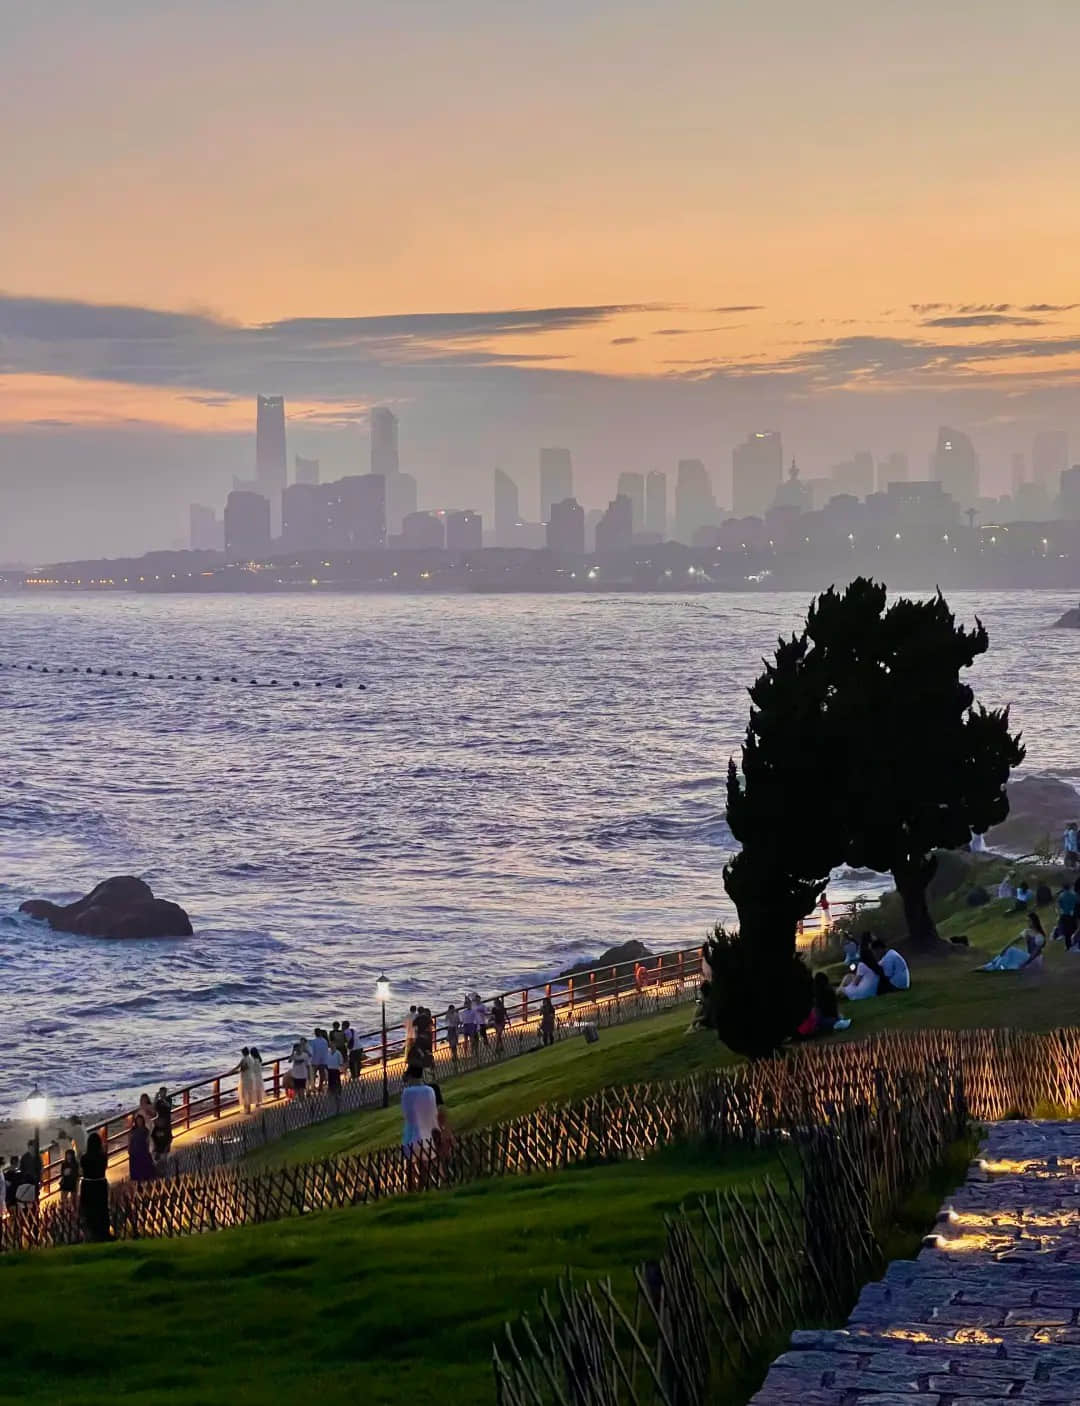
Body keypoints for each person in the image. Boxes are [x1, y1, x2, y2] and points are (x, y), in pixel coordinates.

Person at [980, 911, 1047, 973]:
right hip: (1028, 957)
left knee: (1011, 951)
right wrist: (1005, 948)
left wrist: (1025, 964)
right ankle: (992, 964)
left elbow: (1035, 954)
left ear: (1034, 922)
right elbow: (1015, 940)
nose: (1028, 923)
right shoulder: (1027, 931)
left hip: (1035, 961)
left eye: (1029, 921)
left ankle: (994, 966)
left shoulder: (1040, 936)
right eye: (1027, 921)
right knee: (1009, 951)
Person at [400, 1060, 440, 1156]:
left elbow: (408, 1115)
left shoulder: (407, 1093)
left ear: (410, 1076)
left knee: (415, 1165)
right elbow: (434, 1111)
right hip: (429, 1134)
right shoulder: (430, 1090)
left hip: (413, 1136)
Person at [79, 1131, 111, 1241]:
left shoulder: (84, 1157)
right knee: (101, 1208)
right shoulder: (103, 1156)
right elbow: (104, 1168)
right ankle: (103, 1232)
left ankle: (90, 1233)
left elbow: (82, 1170)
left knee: (88, 1209)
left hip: (88, 1185)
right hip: (100, 1184)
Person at [128, 1114, 156, 1182]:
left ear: (143, 1121)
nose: (139, 1122)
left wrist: (149, 1150)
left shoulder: (145, 1130)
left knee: (145, 1169)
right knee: (136, 1170)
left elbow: (148, 1141)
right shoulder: (133, 1130)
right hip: (134, 1151)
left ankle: (146, 1180)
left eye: (140, 1121)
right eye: (138, 1121)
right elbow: (130, 1140)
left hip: (143, 1150)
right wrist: (129, 1149)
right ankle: (138, 1182)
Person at [152, 1087, 173, 1162]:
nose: (162, 1094)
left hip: (167, 1121)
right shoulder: (158, 1101)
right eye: (161, 1092)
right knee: (156, 1136)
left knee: (167, 1137)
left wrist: (163, 1099)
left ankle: (166, 1154)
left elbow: (169, 1106)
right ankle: (157, 1153)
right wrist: (156, 1097)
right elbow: (153, 1107)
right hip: (159, 1122)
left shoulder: (168, 1099)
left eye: (163, 1092)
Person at [235, 1047, 258, 1115]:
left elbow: (239, 1067)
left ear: (243, 1053)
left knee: (244, 1094)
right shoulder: (251, 1059)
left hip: (245, 1078)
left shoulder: (244, 1059)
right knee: (249, 1093)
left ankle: (246, 1110)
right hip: (251, 1077)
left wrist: (230, 1072)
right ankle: (248, 1109)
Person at [1058, 883, 1079, 948]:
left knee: (1067, 932)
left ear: (1063, 888)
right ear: (1069, 887)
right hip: (1072, 915)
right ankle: (1075, 943)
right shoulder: (1074, 895)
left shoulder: (1061, 895)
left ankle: (1068, 945)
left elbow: (1059, 905)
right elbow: (1078, 902)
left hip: (1064, 915)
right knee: (1074, 929)